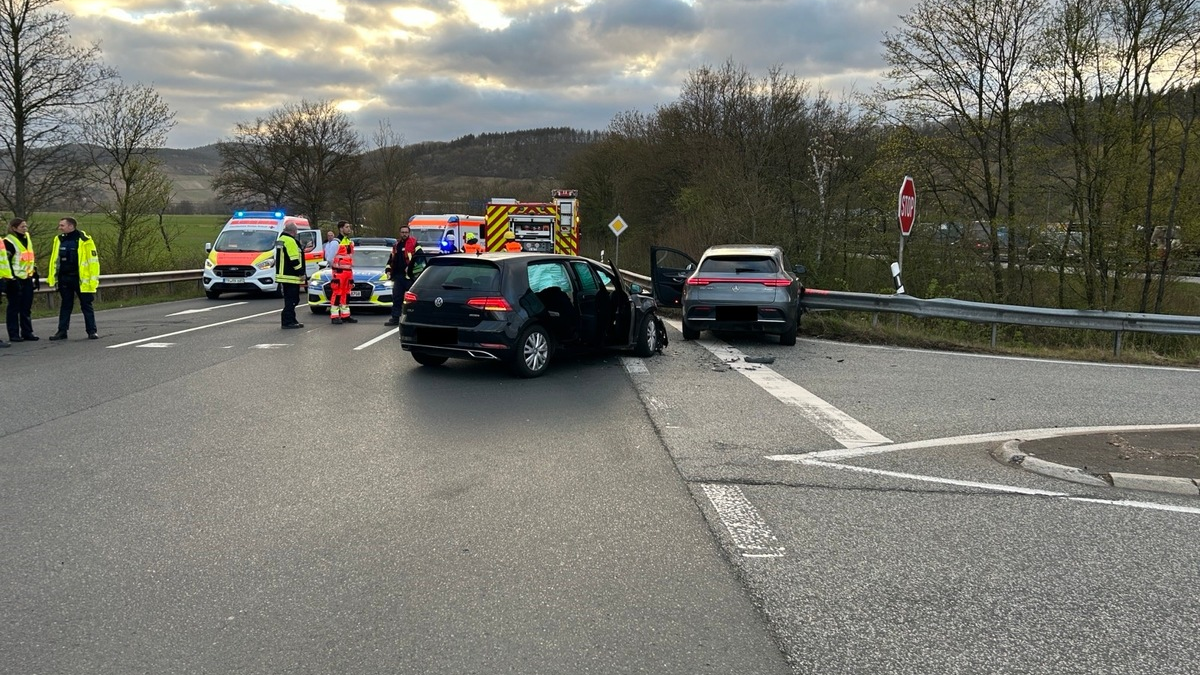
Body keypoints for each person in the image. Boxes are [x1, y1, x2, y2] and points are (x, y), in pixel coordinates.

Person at [47, 217, 100, 341]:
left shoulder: (85, 240)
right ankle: (62, 331)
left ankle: (92, 331)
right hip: (64, 278)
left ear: (71, 226)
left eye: (62, 225)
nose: (59, 228)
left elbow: (93, 262)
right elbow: (55, 260)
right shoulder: (59, 239)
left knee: (86, 305)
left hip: (81, 279)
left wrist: (92, 281)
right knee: (65, 305)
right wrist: (54, 278)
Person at [4, 218, 39, 343]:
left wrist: (35, 273)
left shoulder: (27, 238)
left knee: (26, 307)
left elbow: (29, 258)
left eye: (26, 226)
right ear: (14, 228)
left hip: (27, 278)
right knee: (14, 307)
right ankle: (13, 333)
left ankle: (27, 332)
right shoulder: (8, 241)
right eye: (22, 227)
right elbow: (6, 262)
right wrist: (11, 278)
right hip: (14, 279)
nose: (25, 229)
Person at [383, 224, 418, 327]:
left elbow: (420, 259)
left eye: (406, 232)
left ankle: (414, 318)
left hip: (410, 277)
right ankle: (395, 318)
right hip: (398, 276)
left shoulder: (414, 244)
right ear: (400, 233)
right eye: (402, 232)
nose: (404, 234)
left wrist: (411, 268)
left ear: (409, 233)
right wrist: (388, 269)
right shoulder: (396, 245)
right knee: (397, 298)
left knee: (413, 299)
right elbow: (391, 259)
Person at [276, 223, 306, 329]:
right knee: (293, 300)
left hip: (284, 274)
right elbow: (294, 259)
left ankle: (292, 320)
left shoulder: (282, 239)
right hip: (290, 275)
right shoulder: (290, 241)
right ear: (294, 231)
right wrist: (301, 272)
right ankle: (288, 321)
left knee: (290, 299)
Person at [328, 220, 358, 324]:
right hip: (339, 272)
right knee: (337, 293)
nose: (349, 229)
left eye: (349, 227)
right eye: (347, 227)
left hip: (348, 272)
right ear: (341, 229)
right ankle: (335, 316)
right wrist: (336, 267)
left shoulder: (348, 241)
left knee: (346, 293)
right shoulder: (336, 242)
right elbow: (330, 258)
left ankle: (345, 315)